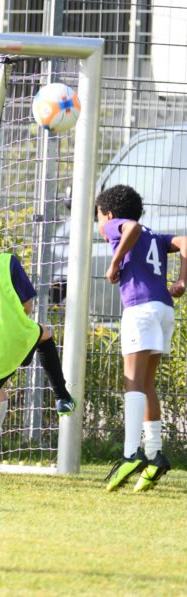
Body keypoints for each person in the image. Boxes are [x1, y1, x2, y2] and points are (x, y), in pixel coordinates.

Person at [0, 200, 75, 488]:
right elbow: (28, 305)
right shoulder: (7, 261)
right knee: (44, 334)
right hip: (12, 334)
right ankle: (62, 395)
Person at [96, 184, 187, 492]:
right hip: (164, 310)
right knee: (147, 384)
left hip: (141, 308)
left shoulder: (115, 225)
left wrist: (114, 262)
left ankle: (130, 453)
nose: (101, 226)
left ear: (108, 214)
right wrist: (182, 279)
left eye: (99, 218)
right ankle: (154, 454)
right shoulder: (154, 235)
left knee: (132, 381)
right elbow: (185, 241)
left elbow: (130, 228)